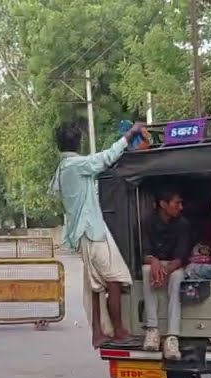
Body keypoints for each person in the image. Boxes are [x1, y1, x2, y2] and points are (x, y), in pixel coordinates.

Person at [52, 120, 147, 347]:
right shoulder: (77, 165)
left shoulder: (63, 170)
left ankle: (98, 332)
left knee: (96, 285)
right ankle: (119, 331)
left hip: (83, 233)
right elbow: (105, 158)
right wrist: (130, 135)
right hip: (92, 231)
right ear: (79, 143)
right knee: (114, 279)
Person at [141, 188, 193, 359]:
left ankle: (172, 336)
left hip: (173, 265)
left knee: (177, 277)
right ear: (163, 204)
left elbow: (180, 258)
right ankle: (152, 329)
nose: (181, 207)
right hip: (155, 263)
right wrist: (154, 263)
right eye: (177, 203)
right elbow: (144, 253)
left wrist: (163, 272)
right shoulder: (147, 222)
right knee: (147, 270)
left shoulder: (183, 224)